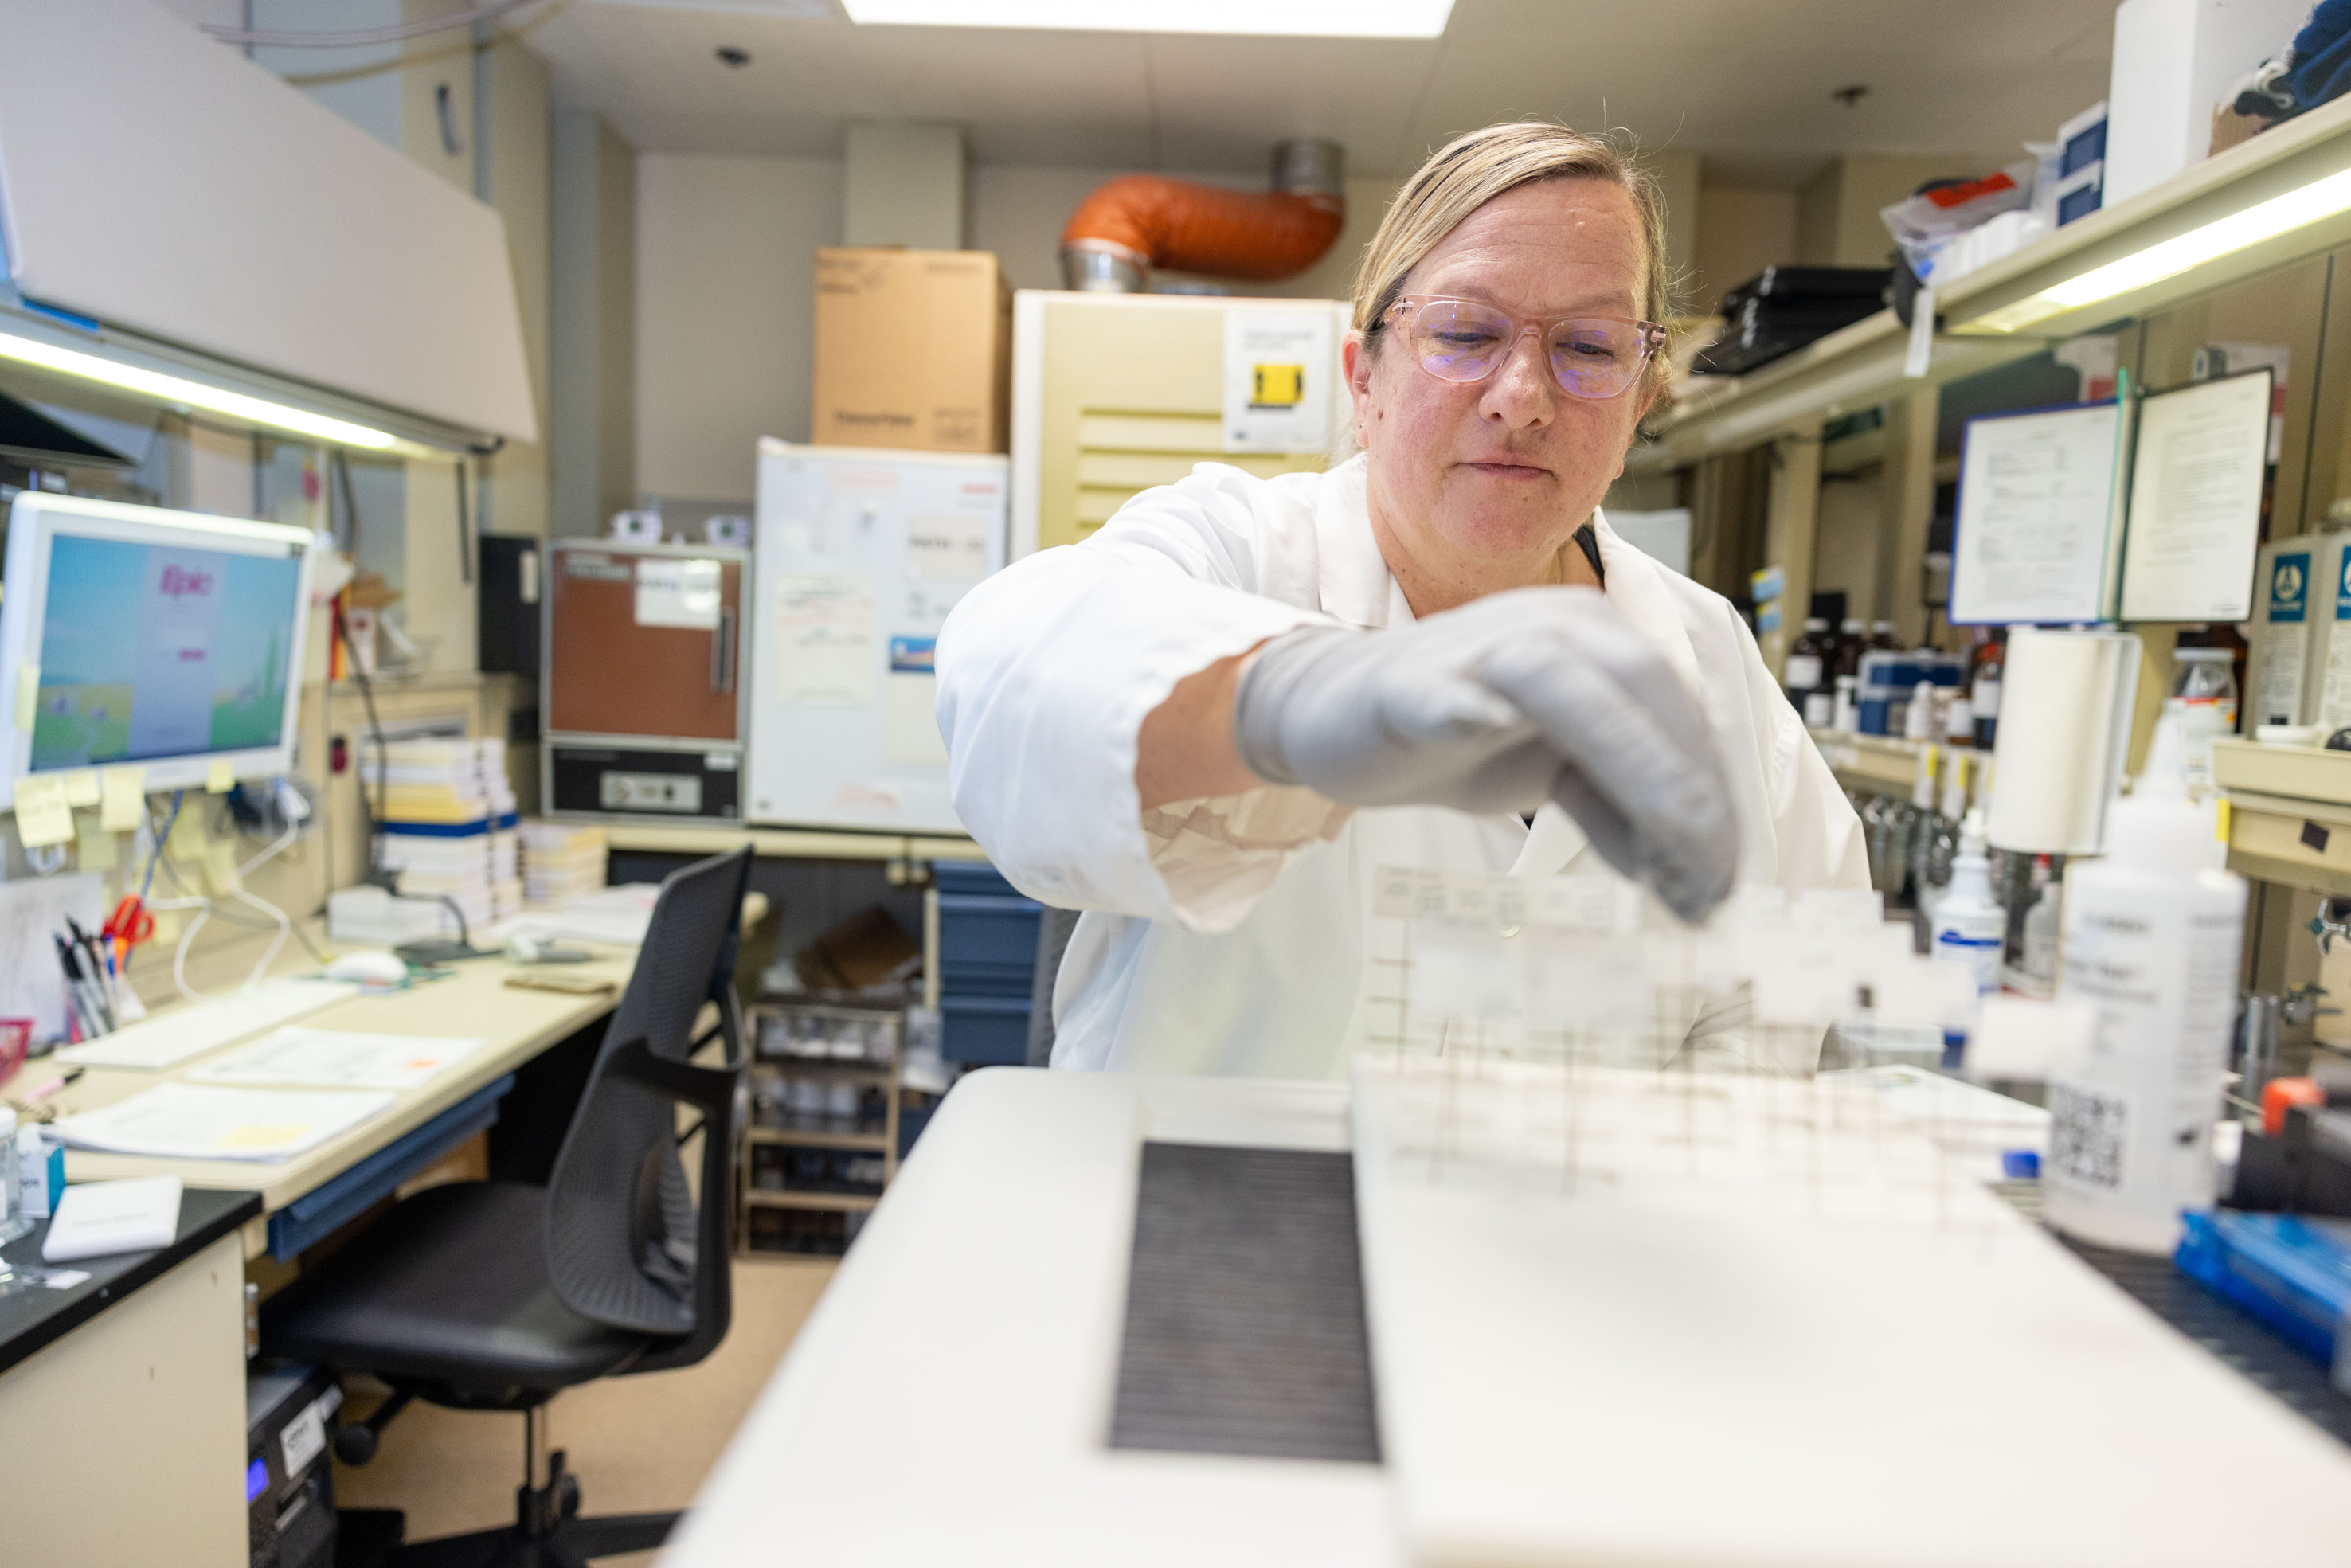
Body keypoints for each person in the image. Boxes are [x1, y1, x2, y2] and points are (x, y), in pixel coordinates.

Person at [937, 121, 1868, 1078]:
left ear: (1638, 405)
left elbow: (1793, 987)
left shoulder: (1706, 650)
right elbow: (1007, 668)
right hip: (1226, 1206)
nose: (1522, 395)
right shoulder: (1243, 549)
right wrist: (1298, 703)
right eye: (1465, 333)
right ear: (1364, 379)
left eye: (1589, 346)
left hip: (1574, 1220)